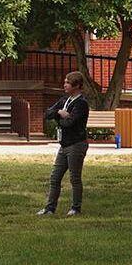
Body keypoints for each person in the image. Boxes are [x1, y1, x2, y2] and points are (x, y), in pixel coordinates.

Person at [39, 71, 90, 217]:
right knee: (55, 177)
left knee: (74, 178)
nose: (65, 84)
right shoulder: (64, 100)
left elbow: (69, 122)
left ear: (77, 86)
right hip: (64, 145)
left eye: (68, 82)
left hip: (76, 144)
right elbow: (48, 113)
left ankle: (75, 208)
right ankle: (50, 208)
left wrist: (61, 117)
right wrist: (60, 113)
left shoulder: (81, 104)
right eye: (65, 81)